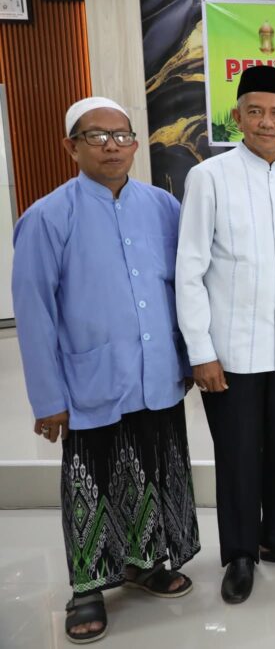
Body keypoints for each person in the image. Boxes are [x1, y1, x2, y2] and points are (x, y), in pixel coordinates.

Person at [12, 97, 199, 644]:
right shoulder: (47, 217)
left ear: (136, 143)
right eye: (96, 136)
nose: (111, 146)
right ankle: (88, 587)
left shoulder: (163, 207)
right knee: (90, 483)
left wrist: (188, 357)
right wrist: (48, 398)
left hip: (156, 372)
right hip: (91, 379)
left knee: (155, 471)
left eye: (121, 135)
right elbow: (35, 314)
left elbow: (183, 289)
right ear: (70, 147)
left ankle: (145, 564)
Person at [176, 65, 275, 604]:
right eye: (256, 112)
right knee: (239, 455)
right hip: (230, 352)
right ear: (237, 117)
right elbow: (190, 269)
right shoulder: (210, 177)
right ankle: (241, 554)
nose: (267, 122)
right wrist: (201, 350)